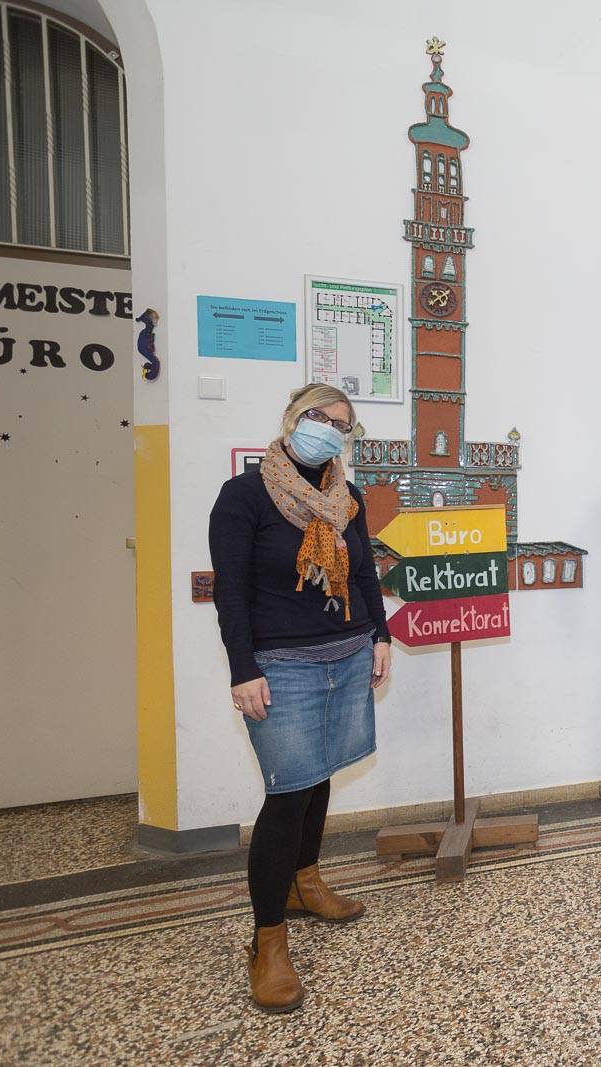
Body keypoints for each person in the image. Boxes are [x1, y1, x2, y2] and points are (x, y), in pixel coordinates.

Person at [210, 384, 391, 1012]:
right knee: (287, 795)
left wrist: (380, 635)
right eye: (317, 417)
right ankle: (268, 942)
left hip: (345, 653)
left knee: (318, 781)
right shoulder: (244, 497)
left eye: (341, 423)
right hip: (280, 665)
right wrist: (243, 669)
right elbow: (230, 592)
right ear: (290, 420)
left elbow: (363, 571)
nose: (327, 429)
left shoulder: (348, 499)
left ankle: (304, 881)